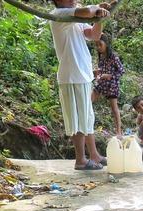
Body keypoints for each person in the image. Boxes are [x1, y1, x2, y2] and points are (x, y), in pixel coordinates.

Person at [49, 0, 109, 170]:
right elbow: (86, 11)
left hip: (82, 74)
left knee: (87, 117)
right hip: (71, 75)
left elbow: (94, 35)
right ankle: (80, 159)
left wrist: (99, 17)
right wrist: (97, 9)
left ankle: (94, 155)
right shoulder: (59, 15)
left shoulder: (74, 17)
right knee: (77, 118)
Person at [92, 35, 125, 136]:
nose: (98, 47)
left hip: (112, 86)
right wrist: (97, 72)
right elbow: (102, 70)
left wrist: (110, 76)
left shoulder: (114, 57)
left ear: (106, 44)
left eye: (100, 44)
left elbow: (121, 71)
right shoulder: (101, 57)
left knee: (114, 109)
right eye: (96, 45)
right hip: (101, 84)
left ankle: (118, 132)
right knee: (88, 101)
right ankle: (88, 129)